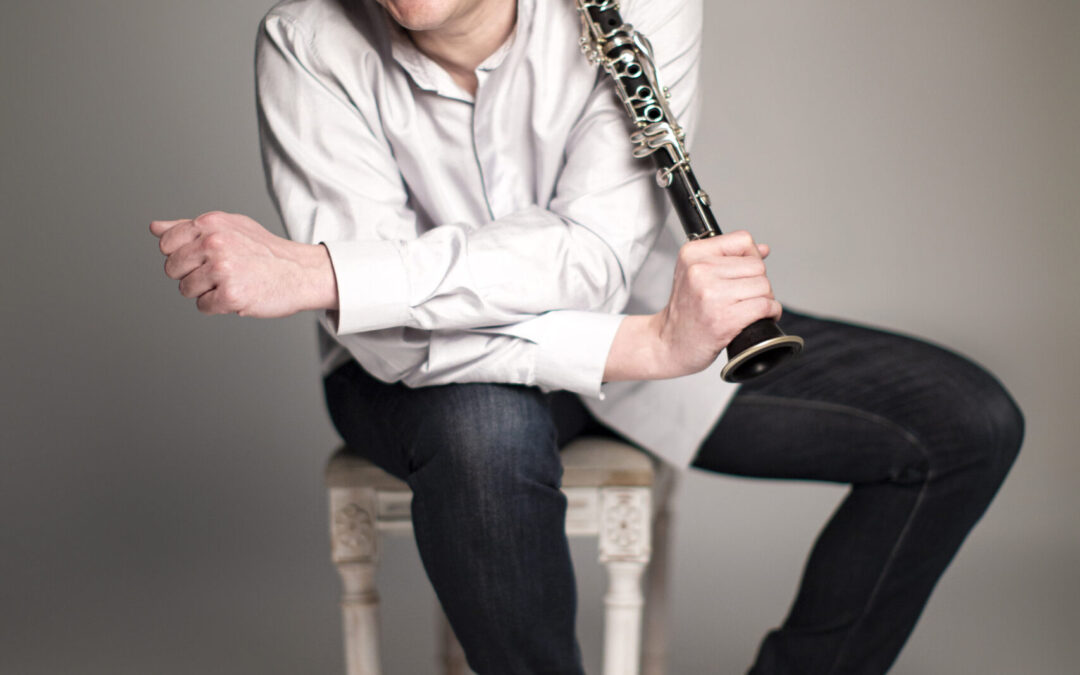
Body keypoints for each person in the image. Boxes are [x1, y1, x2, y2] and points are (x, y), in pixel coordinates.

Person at [148, 0, 1024, 672]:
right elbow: (394, 342)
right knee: (484, 430)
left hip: (644, 327)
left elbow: (594, 258)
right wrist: (645, 347)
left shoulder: (636, 5)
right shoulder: (306, 43)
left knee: (965, 425)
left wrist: (329, 274)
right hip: (428, 376)